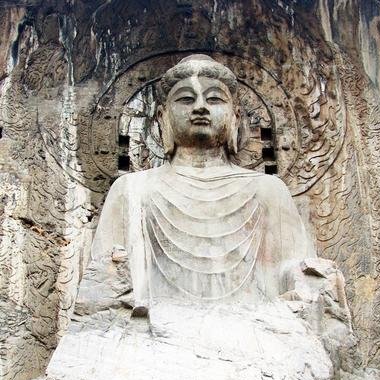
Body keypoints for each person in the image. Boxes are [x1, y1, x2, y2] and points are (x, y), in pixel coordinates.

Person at [80, 55, 313, 315]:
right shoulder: (132, 189)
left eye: (214, 99)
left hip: (256, 325)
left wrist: (313, 285)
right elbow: (106, 283)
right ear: (163, 116)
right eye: (186, 99)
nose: (200, 107)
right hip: (154, 328)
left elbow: (295, 275)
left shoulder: (268, 190)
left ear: (235, 116)